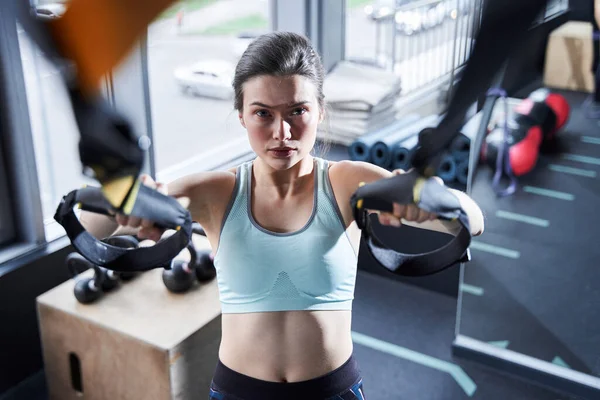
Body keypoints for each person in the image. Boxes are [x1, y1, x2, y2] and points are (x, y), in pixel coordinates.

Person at [83, 31, 484, 400]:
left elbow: (472, 220)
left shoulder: (348, 183)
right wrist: (127, 199)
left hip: (333, 390)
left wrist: (428, 197)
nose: (282, 133)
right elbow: (89, 222)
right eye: (263, 114)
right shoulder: (217, 192)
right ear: (241, 114)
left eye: (297, 110)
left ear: (321, 111)